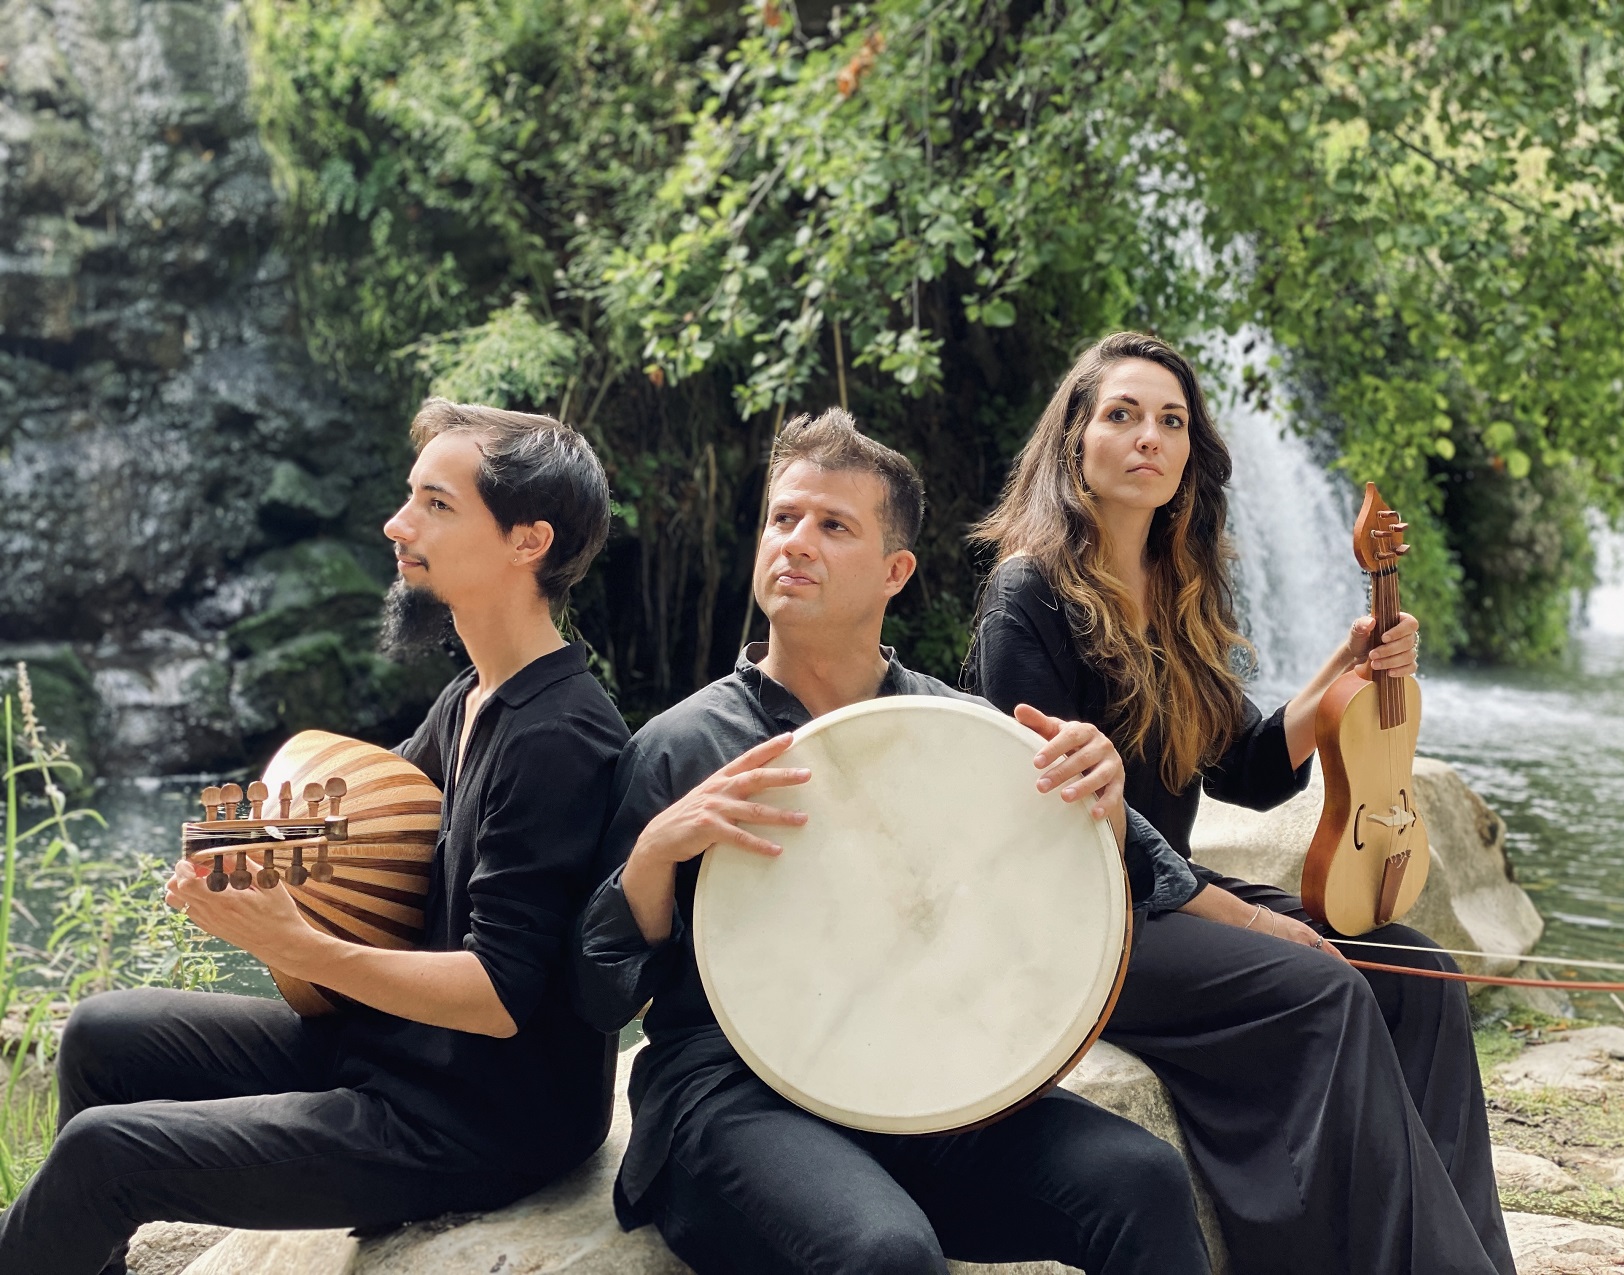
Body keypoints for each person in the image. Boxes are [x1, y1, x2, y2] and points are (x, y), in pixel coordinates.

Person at [574, 408, 1212, 1275]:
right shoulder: (678, 745)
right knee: (887, 1252)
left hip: (926, 1082)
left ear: (895, 572)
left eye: (833, 525)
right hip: (732, 1095)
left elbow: (1089, 895)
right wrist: (653, 855)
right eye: (783, 518)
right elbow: (596, 997)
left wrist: (1099, 795)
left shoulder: (960, 730)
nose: (796, 542)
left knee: (1141, 1178)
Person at [0, 400, 630, 1275]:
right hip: (400, 1049)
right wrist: (236, 864)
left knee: (104, 1152)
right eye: (410, 496)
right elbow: (361, 832)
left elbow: (499, 991)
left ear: (528, 541)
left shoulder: (560, 736)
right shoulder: (474, 697)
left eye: (436, 504)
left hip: (477, 1118)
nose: (398, 524)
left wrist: (299, 945)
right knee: (102, 1033)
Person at [964, 331, 1513, 1275]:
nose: (1150, 436)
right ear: (1074, 442)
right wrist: (1240, 916)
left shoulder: (1175, 591)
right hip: (1075, 918)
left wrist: (1344, 671)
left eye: (1171, 421)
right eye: (1122, 415)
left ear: (1190, 454)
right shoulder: (1029, 592)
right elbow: (1054, 811)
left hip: (1164, 902)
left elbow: (1247, 767)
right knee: (1326, 985)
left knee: (1417, 973)